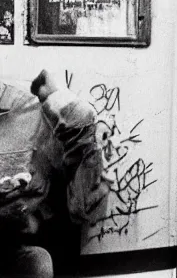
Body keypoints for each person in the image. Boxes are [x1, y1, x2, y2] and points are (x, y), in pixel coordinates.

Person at [0, 70, 112, 278]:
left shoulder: (33, 112)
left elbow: (84, 206)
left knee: (38, 262)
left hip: (19, 251)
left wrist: (77, 121)